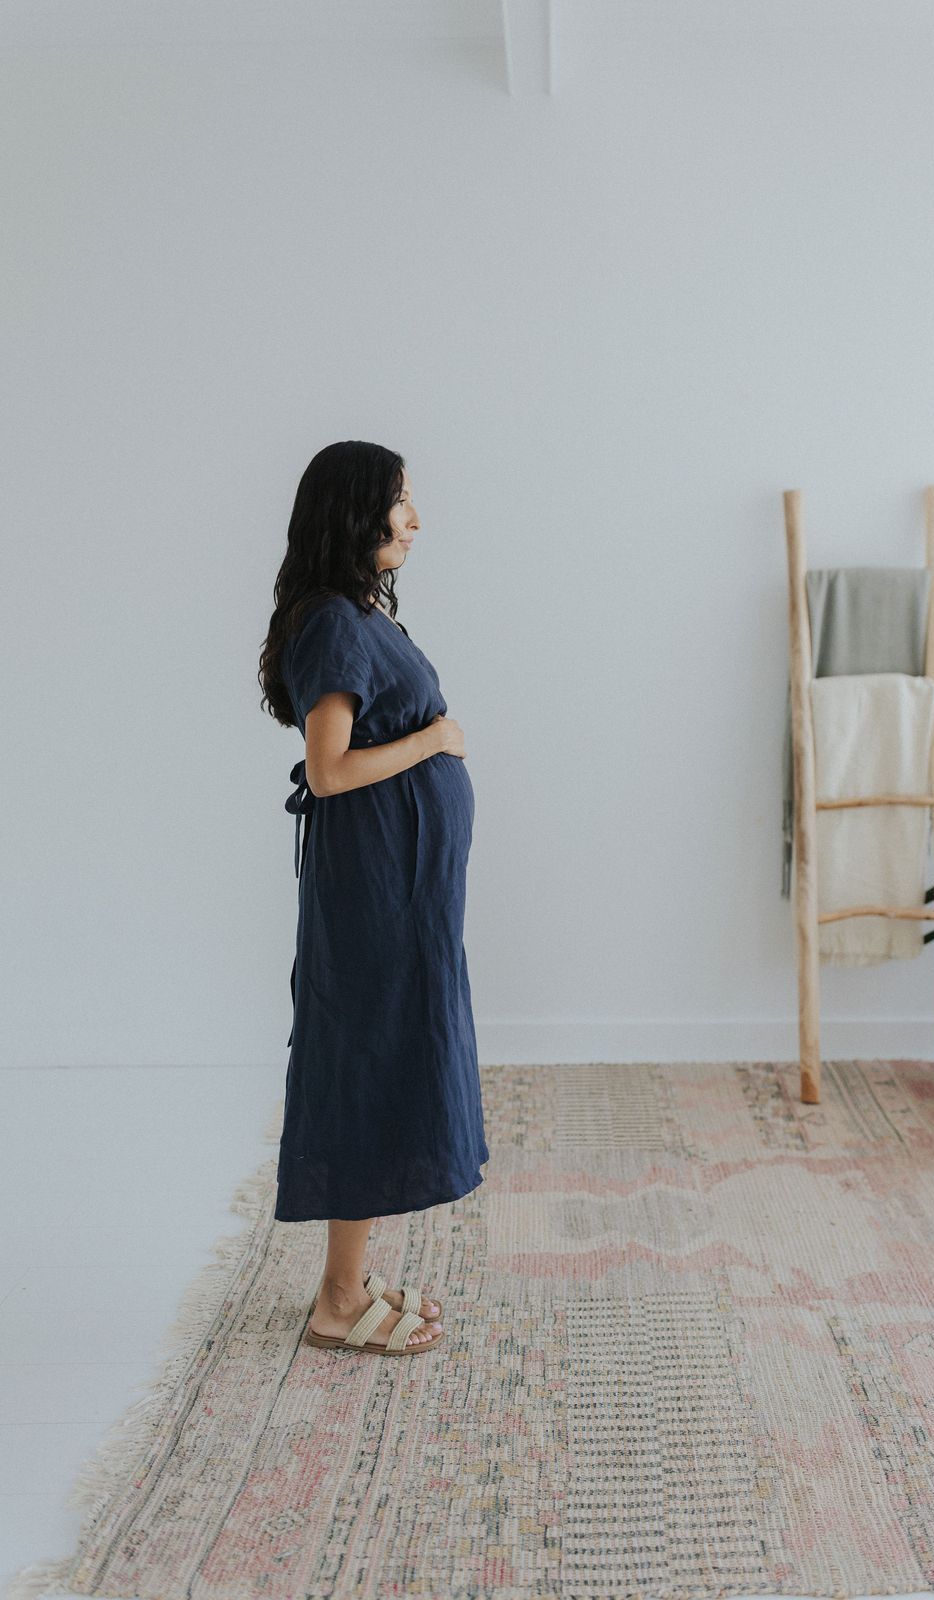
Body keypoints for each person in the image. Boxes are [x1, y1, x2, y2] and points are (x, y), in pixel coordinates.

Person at [258, 441, 489, 1357]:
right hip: (377, 889)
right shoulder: (333, 625)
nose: (415, 519)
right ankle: (338, 1303)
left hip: (402, 885)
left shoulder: (351, 615)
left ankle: (343, 1282)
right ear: (357, 510)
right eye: (401, 501)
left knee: (386, 1052)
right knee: (365, 1057)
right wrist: (435, 741)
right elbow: (329, 768)